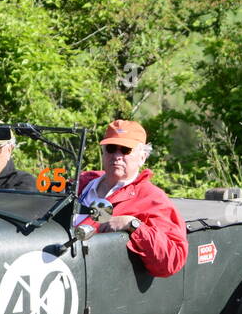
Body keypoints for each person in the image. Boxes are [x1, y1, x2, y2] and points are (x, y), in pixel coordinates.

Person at [75, 119, 187, 278]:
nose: (117, 156)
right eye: (111, 149)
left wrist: (133, 225)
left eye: (126, 150)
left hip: (100, 283)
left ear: (142, 157)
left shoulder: (152, 199)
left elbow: (172, 260)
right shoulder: (80, 183)